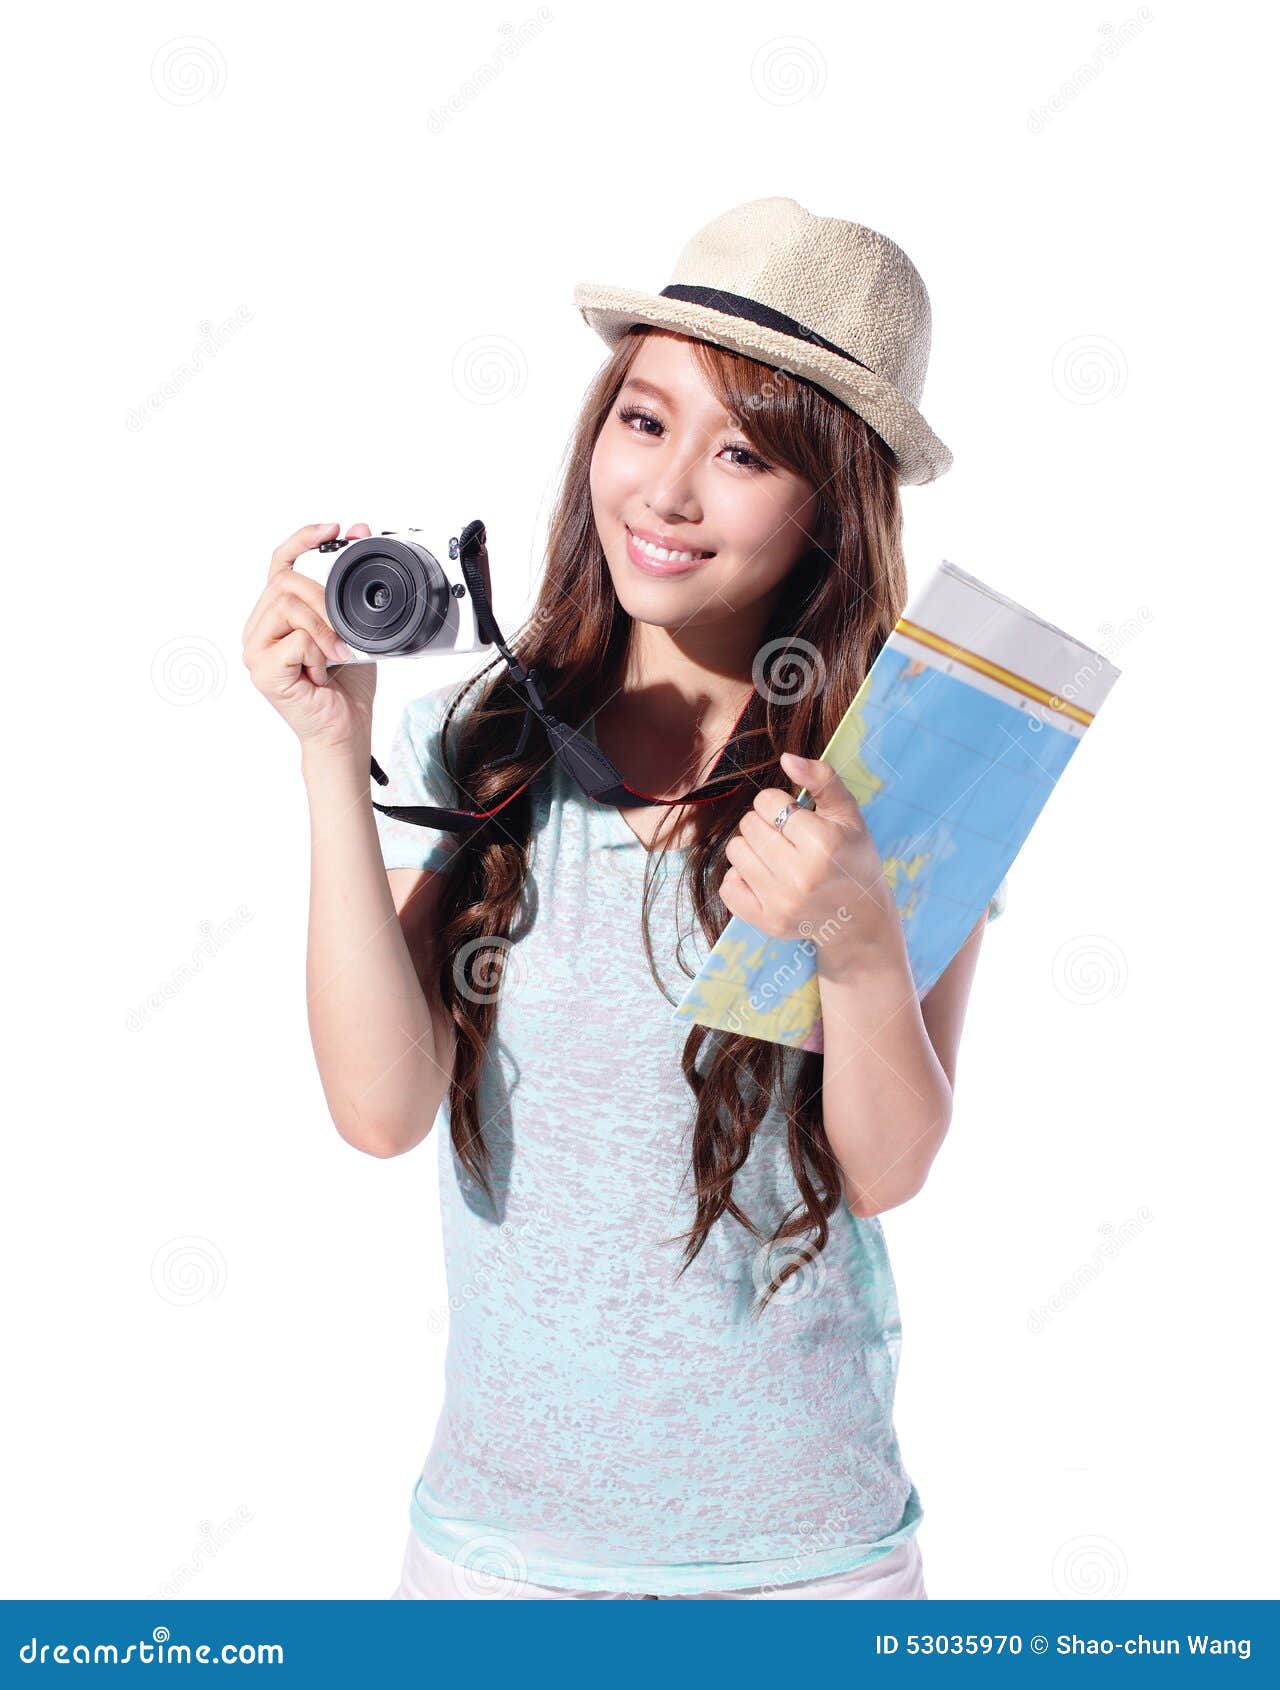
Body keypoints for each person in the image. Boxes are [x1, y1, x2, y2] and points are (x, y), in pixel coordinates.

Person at [241, 196, 1006, 1600]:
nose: (665, 492)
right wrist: (331, 758)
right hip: (492, 1557)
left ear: (832, 501)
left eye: (746, 451)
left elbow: (889, 1165)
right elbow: (378, 1107)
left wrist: (851, 933)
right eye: (644, 421)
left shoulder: (901, 783)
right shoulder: (500, 739)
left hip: (804, 1568)